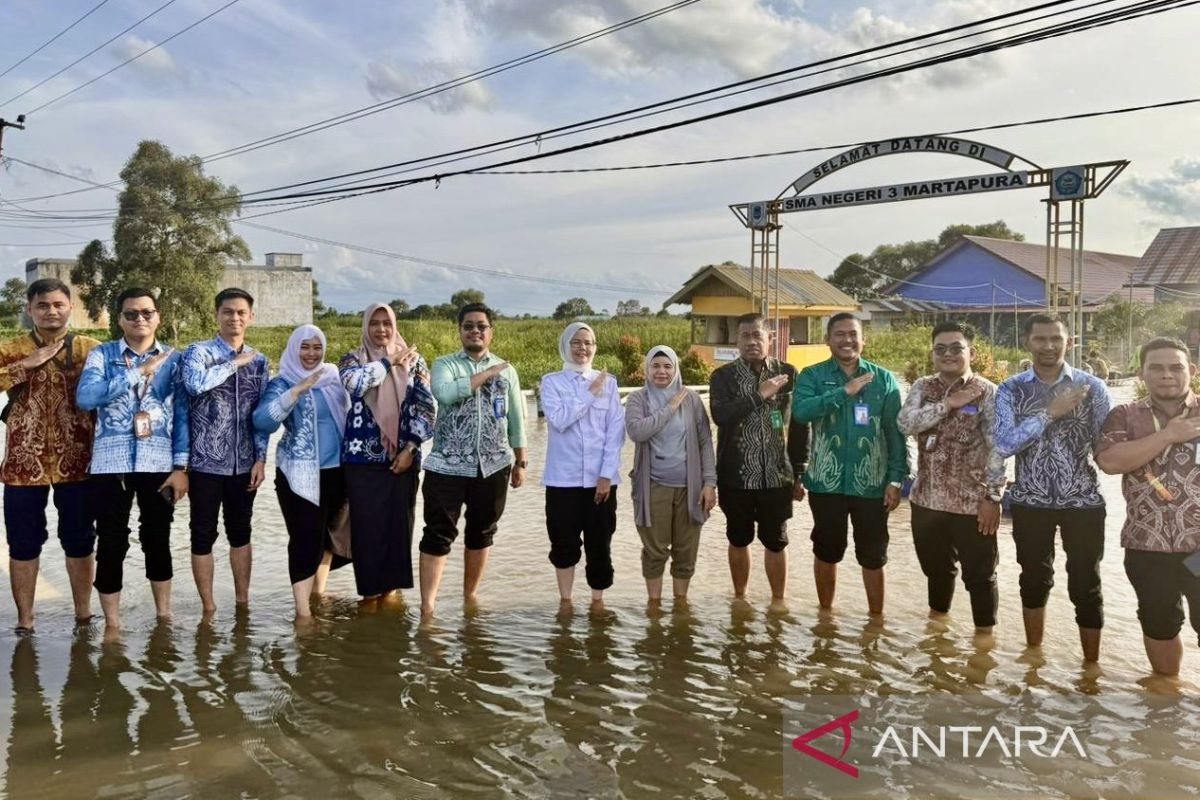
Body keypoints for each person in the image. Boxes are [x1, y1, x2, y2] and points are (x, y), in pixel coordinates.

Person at [995, 313, 1110, 662]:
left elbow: (1106, 446)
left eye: (1056, 339)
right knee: (1033, 579)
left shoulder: (1093, 388)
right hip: (1030, 500)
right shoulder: (1011, 389)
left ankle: (1091, 668)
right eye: (1040, 339)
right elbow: (1003, 443)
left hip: (1084, 501)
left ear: (1069, 343)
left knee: (1086, 585)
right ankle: (1034, 659)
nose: (1048, 346)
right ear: (1027, 342)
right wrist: (1050, 412)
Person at [76, 287, 189, 630]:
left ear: (158, 317)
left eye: (146, 313)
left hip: (158, 462)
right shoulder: (103, 355)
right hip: (111, 464)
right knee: (112, 542)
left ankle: (164, 618)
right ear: (119, 319)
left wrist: (181, 467)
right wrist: (136, 373)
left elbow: (183, 415)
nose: (139, 319)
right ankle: (112, 625)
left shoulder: (175, 359)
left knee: (157, 539)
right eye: (131, 314)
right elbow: (86, 397)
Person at [1095, 338, 1200, 676]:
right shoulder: (1125, 415)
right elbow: (1110, 461)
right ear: (1141, 373)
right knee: (1158, 624)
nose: (1166, 375)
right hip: (1147, 545)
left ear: (1192, 371)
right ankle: (1168, 701)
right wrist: (1168, 435)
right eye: (1156, 367)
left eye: (1176, 367)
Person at [0, 278, 99, 632]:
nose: (51, 311)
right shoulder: (12, 348)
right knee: (22, 543)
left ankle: (84, 616)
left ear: (71, 307)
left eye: (58, 304)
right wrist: (25, 365)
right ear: (30, 310)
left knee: (80, 539)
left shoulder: (91, 349)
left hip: (79, 463)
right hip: (23, 466)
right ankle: (26, 622)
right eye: (43, 305)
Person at [793, 313, 906, 615]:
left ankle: (875, 620)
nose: (847, 340)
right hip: (826, 483)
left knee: (873, 555)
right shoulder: (812, 375)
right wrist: (844, 392)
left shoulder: (884, 379)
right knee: (827, 551)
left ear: (863, 339)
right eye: (840, 334)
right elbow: (801, 412)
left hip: (871, 483)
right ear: (828, 340)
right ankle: (825, 616)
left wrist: (896, 480)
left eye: (853, 334)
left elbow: (895, 434)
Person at [896, 321, 1004, 635]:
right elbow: (906, 423)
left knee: (981, 578)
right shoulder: (923, 387)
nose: (948, 355)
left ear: (970, 352)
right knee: (937, 573)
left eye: (956, 348)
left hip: (973, 506)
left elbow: (999, 448)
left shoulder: (987, 391)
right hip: (927, 502)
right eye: (940, 349)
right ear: (933, 353)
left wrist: (993, 499)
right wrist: (949, 404)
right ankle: (937, 637)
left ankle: (984, 645)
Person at [420, 302, 527, 617]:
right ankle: (428, 607)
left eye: (481, 326)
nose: (475, 331)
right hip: (446, 466)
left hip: (493, 466)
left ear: (491, 331)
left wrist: (520, 461)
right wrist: (487, 374)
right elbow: (445, 393)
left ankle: (470, 598)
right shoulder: (445, 364)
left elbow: (516, 418)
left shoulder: (508, 371)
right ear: (460, 331)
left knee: (482, 532)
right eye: (469, 326)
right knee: (438, 533)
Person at [337, 304, 435, 603]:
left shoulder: (415, 361)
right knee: (366, 532)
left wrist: (411, 447)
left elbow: (426, 408)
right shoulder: (352, 359)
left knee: (398, 529)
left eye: (386, 323)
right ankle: (369, 595)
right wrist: (389, 361)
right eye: (374, 323)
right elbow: (355, 385)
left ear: (394, 325)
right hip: (361, 461)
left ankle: (391, 598)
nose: (381, 329)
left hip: (402, 460)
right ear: (365, 326)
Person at [254, 324, 353, 618]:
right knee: (304, 540)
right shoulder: (283, 382)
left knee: (329, 539)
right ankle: (302, 613)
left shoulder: (333, 377)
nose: (311, 353)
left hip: (339, 472)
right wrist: (296, 391)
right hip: (299, 475)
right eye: (305, 347)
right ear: (294, 349)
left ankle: (317, 596)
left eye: (317, 347)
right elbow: (262, 422)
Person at [709, 313, 808, 602]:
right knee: (738, 538)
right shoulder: (723, 377)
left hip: (777, 475)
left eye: (757, 335)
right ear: (736, 340)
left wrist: (799, 472)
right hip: (735, 476)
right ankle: (740, 598)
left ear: (770, 339)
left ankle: (778, 602)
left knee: (777, 541)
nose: (752, 341)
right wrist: (760, 394)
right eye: (745, 336)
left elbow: (800, 425)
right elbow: (721, 416)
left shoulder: (788, 373)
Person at [181, 287, 269, 614]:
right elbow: (194, 385)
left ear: (250, 317)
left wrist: (261, 458)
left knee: (241, 532)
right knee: (202, 534)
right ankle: (209, 607)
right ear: (216, 315)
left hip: (244, 463)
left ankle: (242, 602)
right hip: (204, 463)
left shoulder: (259, 361)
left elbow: (261, 415)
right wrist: (233, 364)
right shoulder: (198, 353)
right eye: (228, 312)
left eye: (241, 313)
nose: (234, 318)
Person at [539, 323, 624, 603]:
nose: (582, 348)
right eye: (576, 342)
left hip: (600, 481)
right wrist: (589, 393)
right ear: (565, 345)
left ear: (595, 347)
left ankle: (597, 602)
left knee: (600, 544)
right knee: (563, 543)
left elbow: (615, 433)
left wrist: (606, 475)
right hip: (563, 480)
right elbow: (559, 420)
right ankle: (566, 601)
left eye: (588, 343)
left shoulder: (608, 383)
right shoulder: (551, 382)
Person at [625, 345, 716, 602]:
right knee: (655, 550)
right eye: (655, 366)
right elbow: (637, 432)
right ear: (647, 369)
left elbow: (705, 443)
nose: (661, 371)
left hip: (691, 488)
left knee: (685, 551)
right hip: (653, 486)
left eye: (667, 366)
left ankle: (680, 606)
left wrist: (710, 482)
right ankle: (654, 607)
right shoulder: (638, 399)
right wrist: (670, 407)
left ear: (675, 369)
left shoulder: (692, 400)